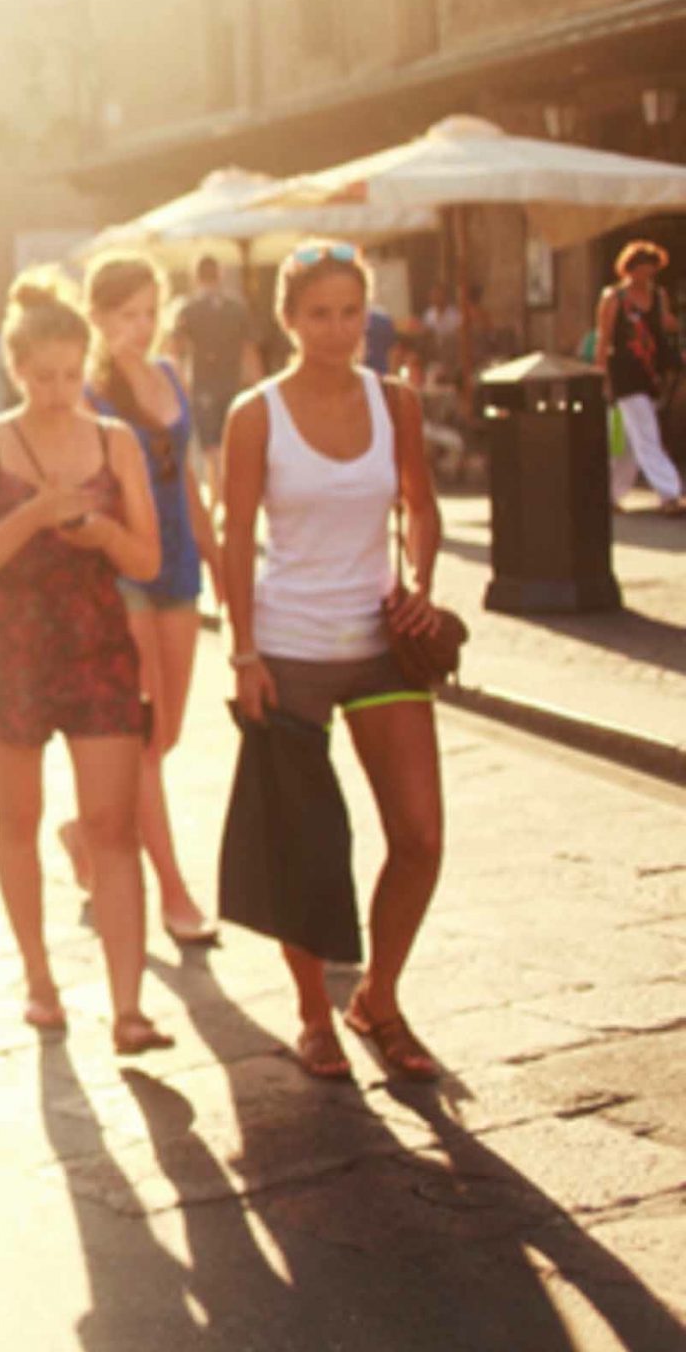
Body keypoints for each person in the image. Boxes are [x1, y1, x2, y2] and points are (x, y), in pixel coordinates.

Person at [219, 240, 448, 1083]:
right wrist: (243, 651)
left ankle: (377, 999)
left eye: (351, 312)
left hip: (382, 641)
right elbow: (237, 537)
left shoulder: (396, 403)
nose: (338, 328)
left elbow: (421, 509)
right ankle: (316, 1014)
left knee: (420, 837)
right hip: (290, 648)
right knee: (306, 849)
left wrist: (421, 581)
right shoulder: (257, 413)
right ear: (288, 318)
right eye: (320, 313)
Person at [0, 269, 172, 1055]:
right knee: (19, 819)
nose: (57, 390)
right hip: (12, 645)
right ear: (16, 370)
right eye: (43, 377)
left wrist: (103, 533)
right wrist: (37, 514)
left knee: (114, 826)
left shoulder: (115, 441)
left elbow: (146, 558)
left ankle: (128, 1006)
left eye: (71, 376)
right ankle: (38, 977)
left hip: (97, 641)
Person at [58, 254, 222, 948]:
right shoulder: (88, 393)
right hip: (121, 570)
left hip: (178, 564)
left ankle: (84, 830)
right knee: (143, 739)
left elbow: (184, 480)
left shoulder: (168, 376)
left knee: (169, 731)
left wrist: (224, 565)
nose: (141, 327)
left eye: (151, 313)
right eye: (127, 315)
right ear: (96, 317)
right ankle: (173, 891)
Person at [595, 240, 684, 514]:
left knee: (628, 442)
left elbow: (666, 325)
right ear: (628, 269)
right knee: (645, 433)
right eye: (641, 269)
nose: (645, 276)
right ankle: (670, 493)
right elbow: (604, 337)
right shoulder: (614, 298)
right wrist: (600, 373)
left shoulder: (658, 296)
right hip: (624, 373)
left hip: (650, 374)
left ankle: (609, 494)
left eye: (650, 270)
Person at [169, 255, 259, 448]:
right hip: (232, 381)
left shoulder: (188, 309)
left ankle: (214, 478)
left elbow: (174, 350)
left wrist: (178, 385)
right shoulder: (237, 308)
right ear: (220, 274)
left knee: (210, 445)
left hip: (203, 384)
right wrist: (257, 384)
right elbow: (250, 351)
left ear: (195, 277)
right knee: (233, 439)